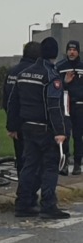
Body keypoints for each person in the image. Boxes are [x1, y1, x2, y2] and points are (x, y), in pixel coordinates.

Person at [7, 37, 70, 219]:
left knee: (29, 166)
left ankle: (23, 203)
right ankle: (48, 205)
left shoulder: (24, 74)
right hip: (46, 129)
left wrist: (12, 126)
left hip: (27, 128)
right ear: (55, 53)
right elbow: (54, 106)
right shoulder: (51, 77)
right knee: (50, 167)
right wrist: (60, 131)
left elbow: (13, 102)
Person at [3, 41, 41, 177]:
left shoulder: (12, 72)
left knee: (20, 158)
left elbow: (6, 100)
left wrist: (12, 124)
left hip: (16, 123)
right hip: (32, 123)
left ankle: (22, 189)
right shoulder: (35, 72)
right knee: (33, 160)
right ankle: (31, 192)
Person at [56, 40, 83, 175]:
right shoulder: (60, 66)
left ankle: (78, 163)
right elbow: (55, 85)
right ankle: (65, 162)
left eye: (74, 50)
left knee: (78, 136)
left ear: (78, 51)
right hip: (65, 105)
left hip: (80, 105)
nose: (72, 52)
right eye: (69, 50)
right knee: (65, 134)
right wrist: (65, 82)